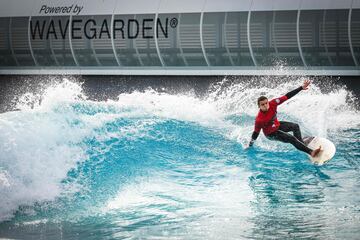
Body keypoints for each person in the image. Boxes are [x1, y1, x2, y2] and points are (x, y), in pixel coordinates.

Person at [246, 79, 321, 157]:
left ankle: (301, 144)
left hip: (277, 125)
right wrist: (250, 145)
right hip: (271, 134)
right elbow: (255, 133)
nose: (265, 105)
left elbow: (287, 96)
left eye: (266, 103)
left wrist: (301, 87)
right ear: (259, 106)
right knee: (291, 139)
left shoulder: (273, 103)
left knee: (295, 126)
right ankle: (311, 152)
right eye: (262, 105)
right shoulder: (259, 119)